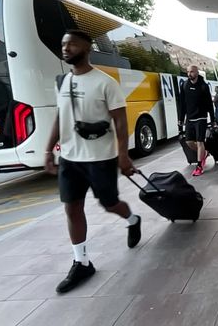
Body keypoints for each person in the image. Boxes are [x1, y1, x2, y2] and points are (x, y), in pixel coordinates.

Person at [44, 30, 141, 294]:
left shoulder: (105, 82)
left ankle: (132, 219)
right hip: (70, 159)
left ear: (86, 48)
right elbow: (59, 117)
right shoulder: (62, 81)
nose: (66, 48)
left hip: (101, 159)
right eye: (63, 44)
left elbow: (120, 120)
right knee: (72, 208)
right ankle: (82, 261)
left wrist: (123, 154)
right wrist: (47, 152)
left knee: (109, 204)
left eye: (72, 44)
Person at [179, 65, 217, 176]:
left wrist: (213, 119)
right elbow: (182, 104)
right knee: (189, 142)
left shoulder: (203, 86)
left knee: (200, 142)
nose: (189, 74)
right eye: (188, 72)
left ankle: (199, 166)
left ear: (196, 72)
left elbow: (210, 104)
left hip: (201, 118)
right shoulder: (184, 85)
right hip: (190, 119)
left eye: (191, 72)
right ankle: (204, 153)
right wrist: (181, 119)